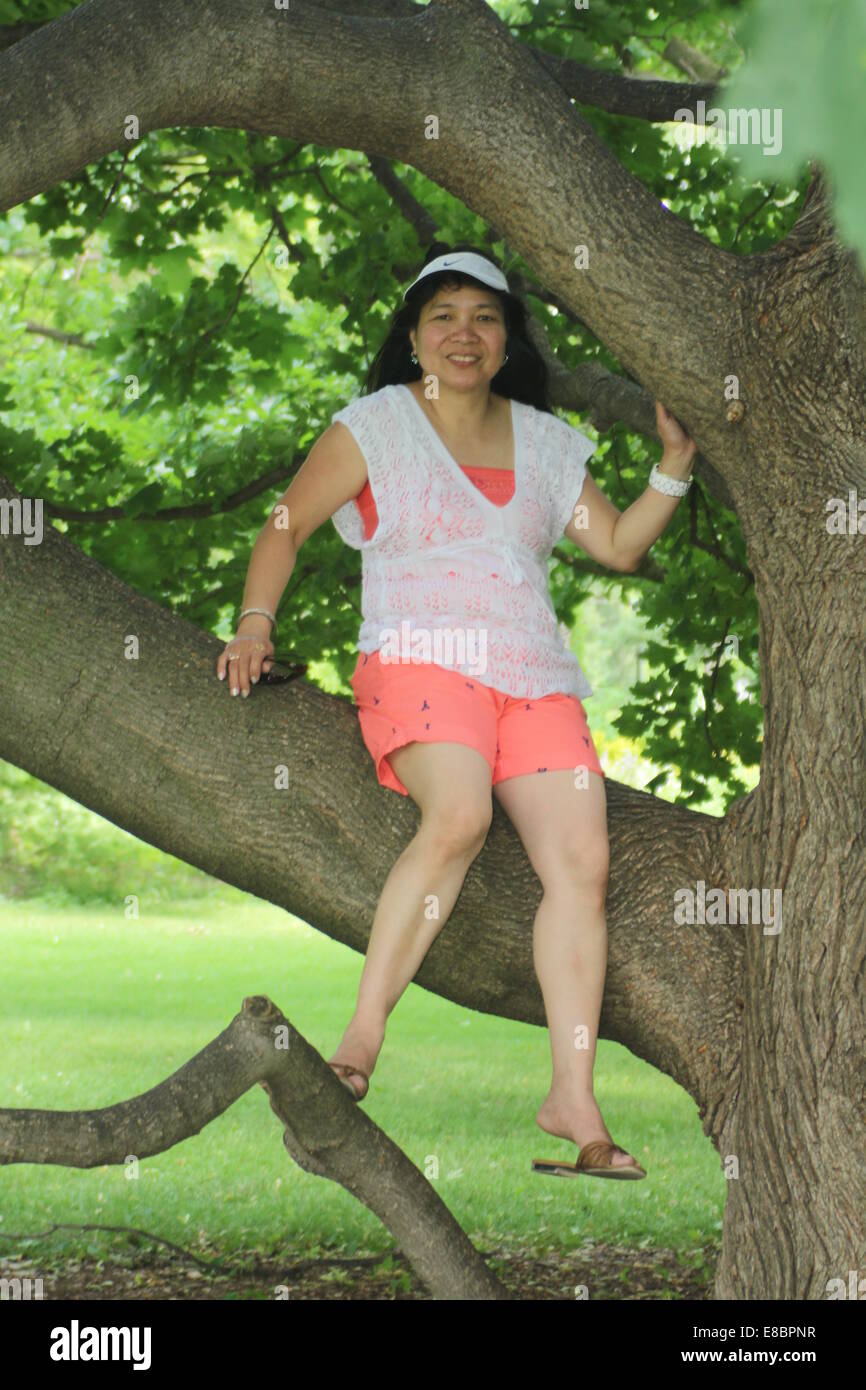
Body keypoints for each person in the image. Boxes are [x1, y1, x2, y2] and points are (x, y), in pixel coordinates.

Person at [216, 242, 696, 1180]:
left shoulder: (551, 444)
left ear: (510, 336)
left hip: (532, 674)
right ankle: (360, 1038)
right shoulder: (377, 426)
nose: (464, 334)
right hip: (420, 658)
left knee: (583, 861)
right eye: (443, 317)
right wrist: (252, 623)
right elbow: (286, 525)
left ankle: (572, 1096)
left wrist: (674, 464)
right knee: (461, 814)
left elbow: (619, 545)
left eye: (484, 317)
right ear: (414, 335)